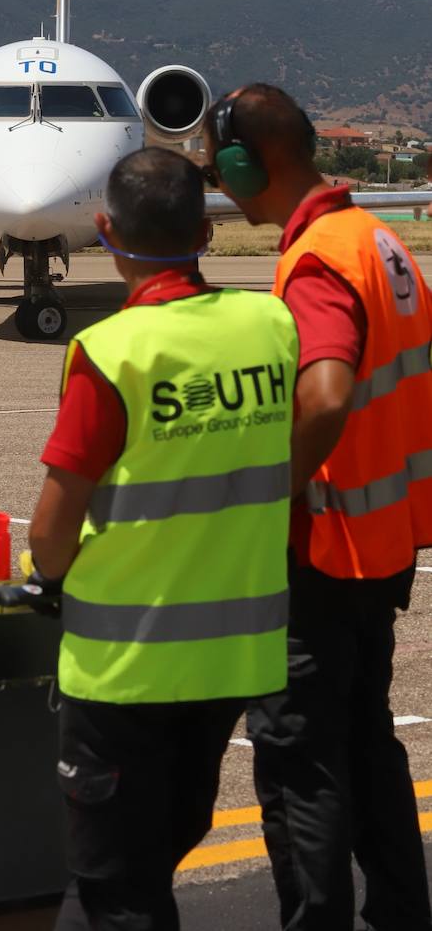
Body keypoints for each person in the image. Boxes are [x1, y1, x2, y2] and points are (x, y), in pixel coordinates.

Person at [29, 146, 300, 931]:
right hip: (232, 664)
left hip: (126, 669)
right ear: (205, 233)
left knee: (111, 887)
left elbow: (51, 531)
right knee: (164, 848)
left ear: (106, 232)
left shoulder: (114, 353)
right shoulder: (269, 323)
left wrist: (51, 571)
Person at [202, 83, 432, 931]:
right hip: (383, 540)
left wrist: (272, 489)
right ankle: (404, 913)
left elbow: (328, 396)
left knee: (300, 758)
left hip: (325, 546)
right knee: (367, 742)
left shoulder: (319, 259)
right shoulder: (380, 238)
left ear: (241, 163)